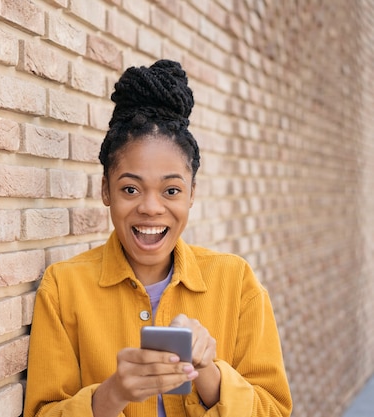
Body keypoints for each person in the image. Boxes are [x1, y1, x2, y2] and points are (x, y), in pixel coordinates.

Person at [23, 59, 292, 417]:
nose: (151, 208)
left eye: (171, 190)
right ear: (106, 190)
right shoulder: (62, 288)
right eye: (130, 188)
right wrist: (113, 393)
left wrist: (207, 372)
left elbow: (273, 410)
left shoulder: (236, 281)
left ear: (192, 193)